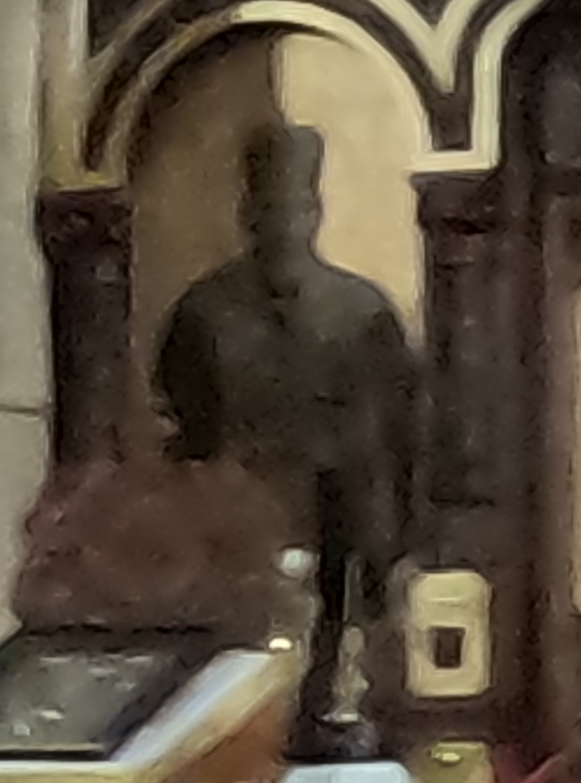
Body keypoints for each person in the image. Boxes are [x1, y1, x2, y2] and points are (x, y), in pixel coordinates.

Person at [152, 114, 423, 727]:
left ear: (315, 212)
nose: (281, 221)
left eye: (295, 207)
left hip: (340, 524)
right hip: (233, 526)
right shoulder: (205, 311)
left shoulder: (361, 309)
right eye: (267, 207)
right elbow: (179, 425)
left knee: (330, 658)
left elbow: (399, 429)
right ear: (248, 212)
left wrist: (389, 541)